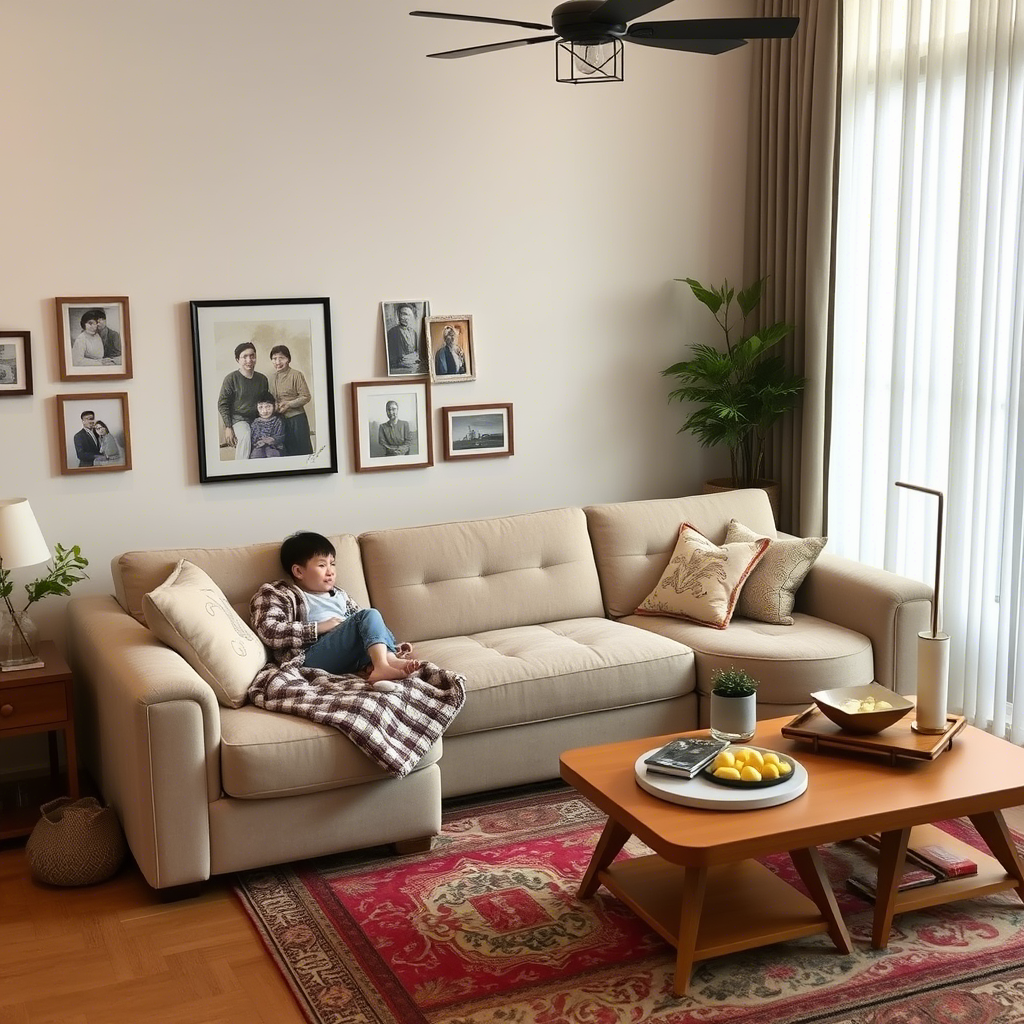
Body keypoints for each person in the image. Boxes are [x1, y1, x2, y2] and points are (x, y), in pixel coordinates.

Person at [251, 532, 421, 683]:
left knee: (369, 617)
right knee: (368, 614)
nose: (330, 571)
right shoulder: (280, 594)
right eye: (322, 565)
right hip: (312, 657)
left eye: (332, 564)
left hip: (347, 657)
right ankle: (382, 665)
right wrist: (318, 627)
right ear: (298, 571)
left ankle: (388, 659)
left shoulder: (340, 595)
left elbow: (368, 626)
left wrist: (390, 641)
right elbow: (269, 631)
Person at [217, 341, 270, 460]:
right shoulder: (231, 378)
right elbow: (222, 404)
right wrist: (228, 427)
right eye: (244, 357)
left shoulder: (262, 379)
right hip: (238, 419)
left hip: (257, 419)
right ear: (237, 359)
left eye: (252, 356)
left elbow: (266, 401)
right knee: (246, 435)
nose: (249, 360)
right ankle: (241, 470)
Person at [269, 344, 313, 455]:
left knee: (301, 451)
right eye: (274, 359)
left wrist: (288, 404)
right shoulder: (272, 378)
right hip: (279, 420)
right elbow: (271, 398)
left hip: (296, 419)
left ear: (288, 359)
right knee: (285, 452)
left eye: (281, 358)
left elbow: (306, 396)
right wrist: (275, 406)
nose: (277, 362)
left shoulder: (296, 375)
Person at [387, 303, 426, 374]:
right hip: (400, 369)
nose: (406, 317)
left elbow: (416, 353)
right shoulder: (392, 332)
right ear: (399, 315)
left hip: (414, 366)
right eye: (403, 314)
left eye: (408, 315)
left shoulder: (414, 333)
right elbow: (393, 358)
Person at [249, 392, 285, 459]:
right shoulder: (256, 422)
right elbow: (253, 437)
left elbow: (280, 436)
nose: (265, 411)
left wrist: (272, 440)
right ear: (256, 408)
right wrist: (260, 442)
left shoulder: (277, 421)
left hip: (274, 447)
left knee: (272, 454)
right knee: (256, 455)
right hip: (259, 446)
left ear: (274, 406)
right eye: (261, 407)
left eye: (268, 407)